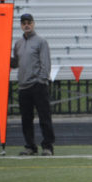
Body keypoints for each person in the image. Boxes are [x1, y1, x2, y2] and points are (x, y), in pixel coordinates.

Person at [11, 13, 55, 156]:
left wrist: (42, 80)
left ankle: (47, 146)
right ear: (21, 25)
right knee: (26, 119)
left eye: (29, 22)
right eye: (24, 23)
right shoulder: (17, 43)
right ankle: (30, 146)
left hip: (37, 84)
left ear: (33, 23)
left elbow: (45, 63)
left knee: (44, 117)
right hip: (23, 86)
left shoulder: (41, 42)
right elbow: (16, 63)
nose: (26, 25)